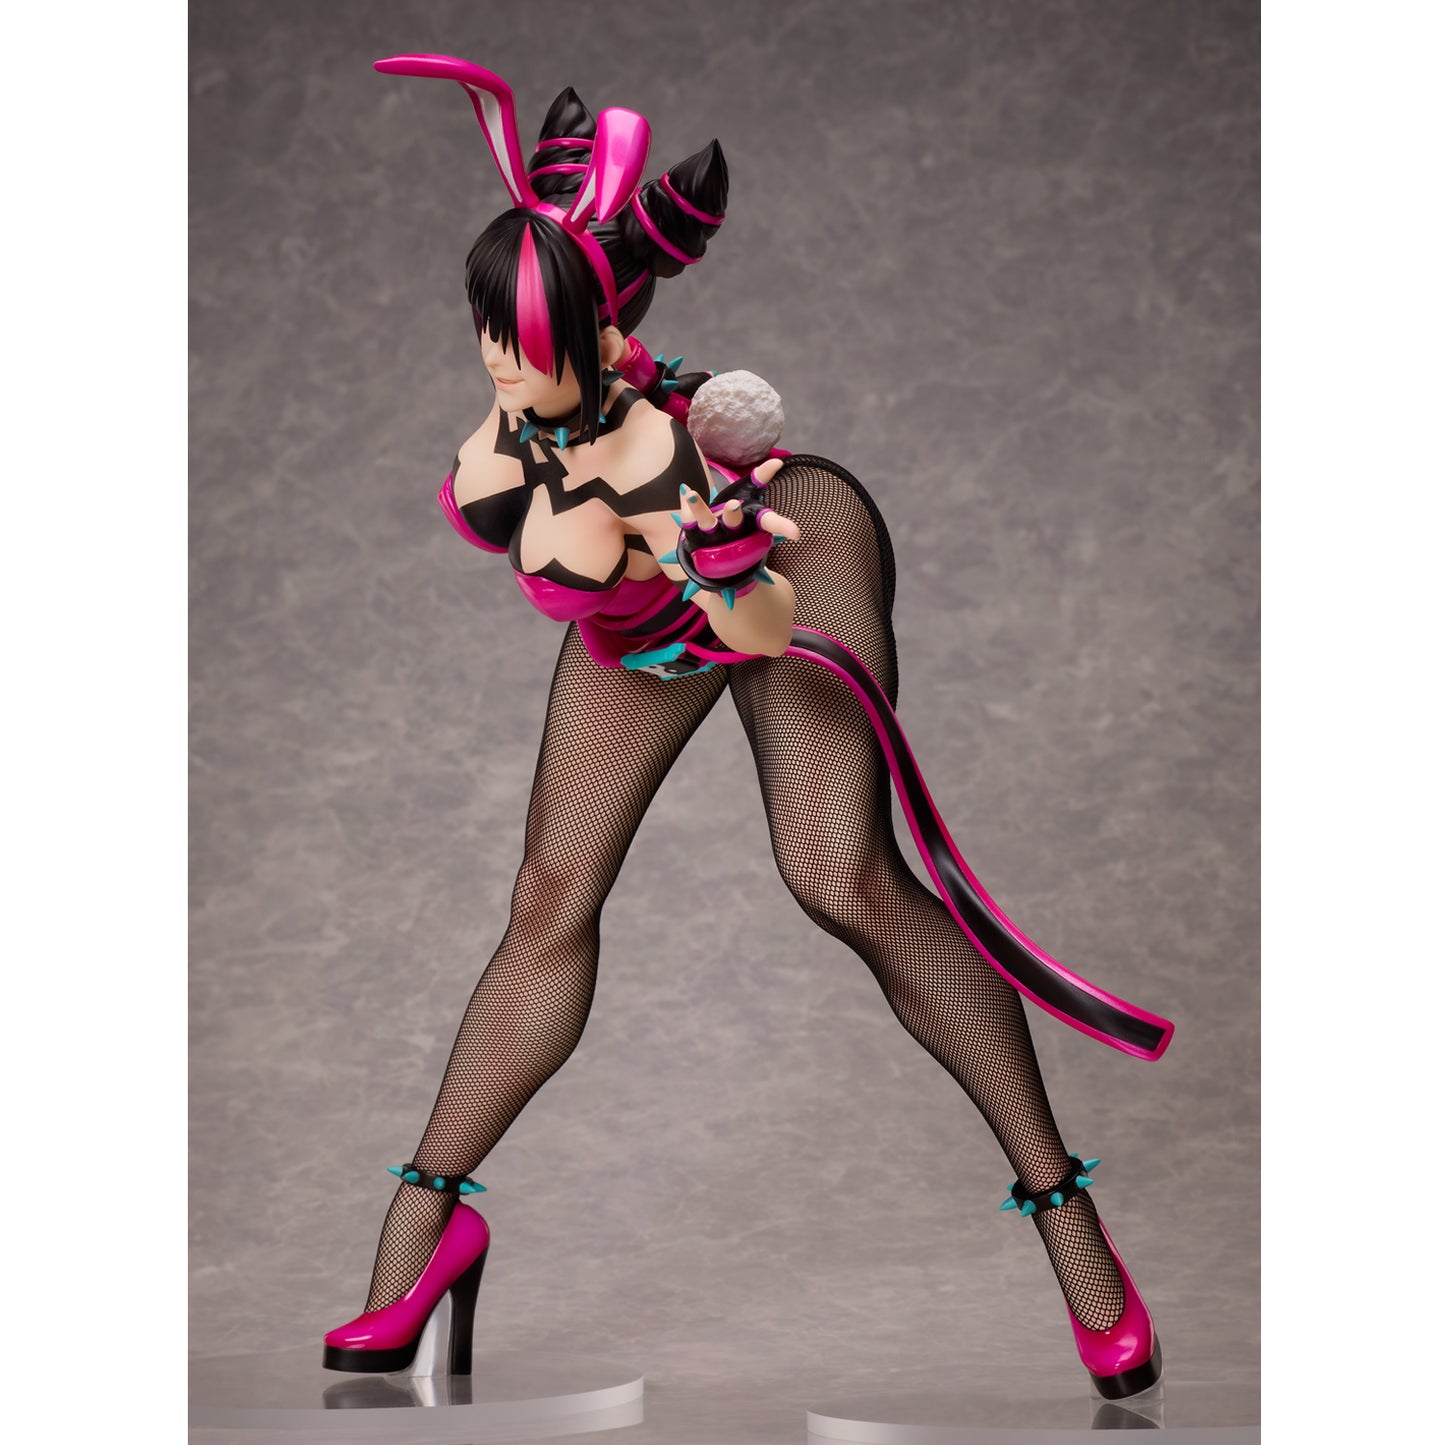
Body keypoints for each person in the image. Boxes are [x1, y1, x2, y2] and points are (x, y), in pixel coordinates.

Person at [323, 54, 1171, 1400]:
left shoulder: (662, 461)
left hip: (779, 562)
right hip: (639, 628)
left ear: (600, 329)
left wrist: (727, 566)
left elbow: (762, 625)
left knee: (837, 874)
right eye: (491, 332)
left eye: (527, 337)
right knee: (548, 898)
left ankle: (1068, 1217)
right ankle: (422, 1237)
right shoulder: (523, 406)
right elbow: (499, 482)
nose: (498, 362)